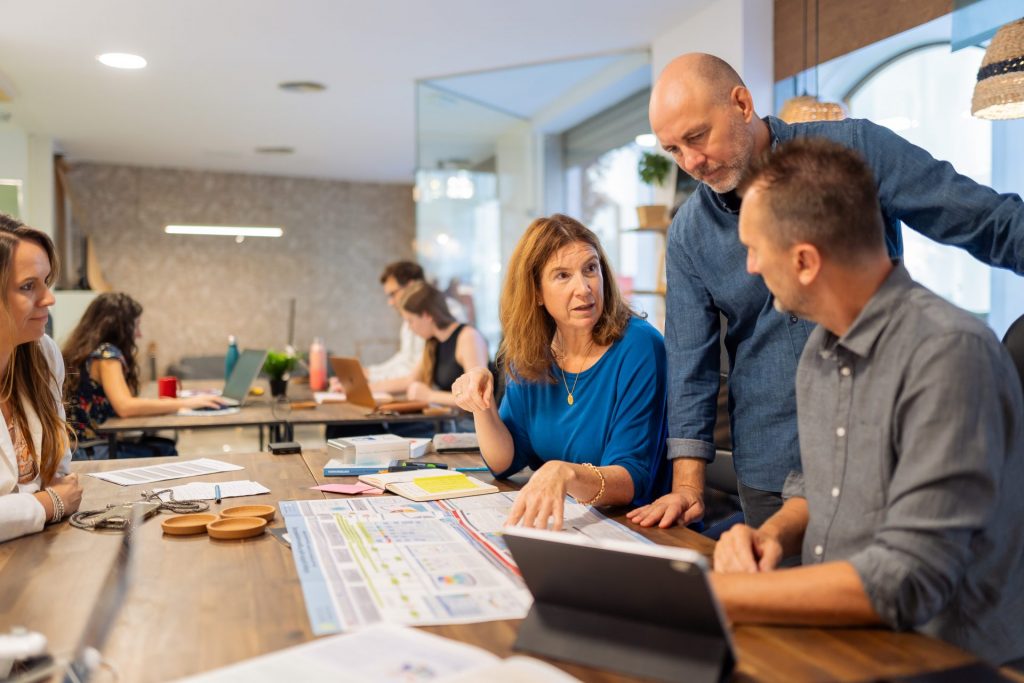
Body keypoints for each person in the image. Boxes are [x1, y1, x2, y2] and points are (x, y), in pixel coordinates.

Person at [629, 52, 1024, 531]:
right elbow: (691, 361)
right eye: (673, 150)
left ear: (742, 102)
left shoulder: (853, 153)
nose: (692, 163)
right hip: (772, 466)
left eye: (697, 137)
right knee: (783, 602)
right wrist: (688, 485)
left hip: (878, 445)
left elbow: (985, 220)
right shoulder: (690, 232)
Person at [710, 138, 1024, 667]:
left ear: (806, 261)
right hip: (851, 641)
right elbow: (822, 488)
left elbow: (909, 578)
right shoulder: (819, 349)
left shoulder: (947, 354)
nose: (750, 266)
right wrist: (770, 536)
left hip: (947, 659)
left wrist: (720, 596)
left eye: (755, 248)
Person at [451, 214, 669, 530]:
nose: (583, 288)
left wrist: (564, 473)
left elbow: (632, 479)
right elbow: (504, 462)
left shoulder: (639, 346)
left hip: (638, 527)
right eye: (563, 275)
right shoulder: (529, 354)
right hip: (571, 524)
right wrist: (481, 406)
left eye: (590, 269)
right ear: (536, 292)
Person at [0, 214, 83, 543]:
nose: (49, 298)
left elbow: (56, 469)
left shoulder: (41, 353)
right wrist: (47, 505)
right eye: (27, 286)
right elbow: (55, 492)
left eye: (46, 281)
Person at [62, 292, 226, 458]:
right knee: (166, 450)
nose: (139, 334)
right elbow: (125, 407)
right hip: (94, 450)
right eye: (136, 326)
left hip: (81, 448)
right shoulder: (107, 355)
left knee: (162, 445)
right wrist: (186, 403)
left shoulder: (87, 352)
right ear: (121, 328)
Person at [371, 282, 488, 407]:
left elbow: (476, 395)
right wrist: (368, 388)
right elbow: (409, 380)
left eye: (411, 321)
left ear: (427, 315)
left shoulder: (468, 337)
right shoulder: (433, 342)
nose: (410, 328)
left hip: (468, 423)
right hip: (449, 420)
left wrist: (430, 395)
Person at [358, 261, 468, 384]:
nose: (390, 302)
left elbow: (419, 371)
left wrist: (371, 378)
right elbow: (407, 360)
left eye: (392, 294)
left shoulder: (451, 316)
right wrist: (371, 373)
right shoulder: (414, 320)